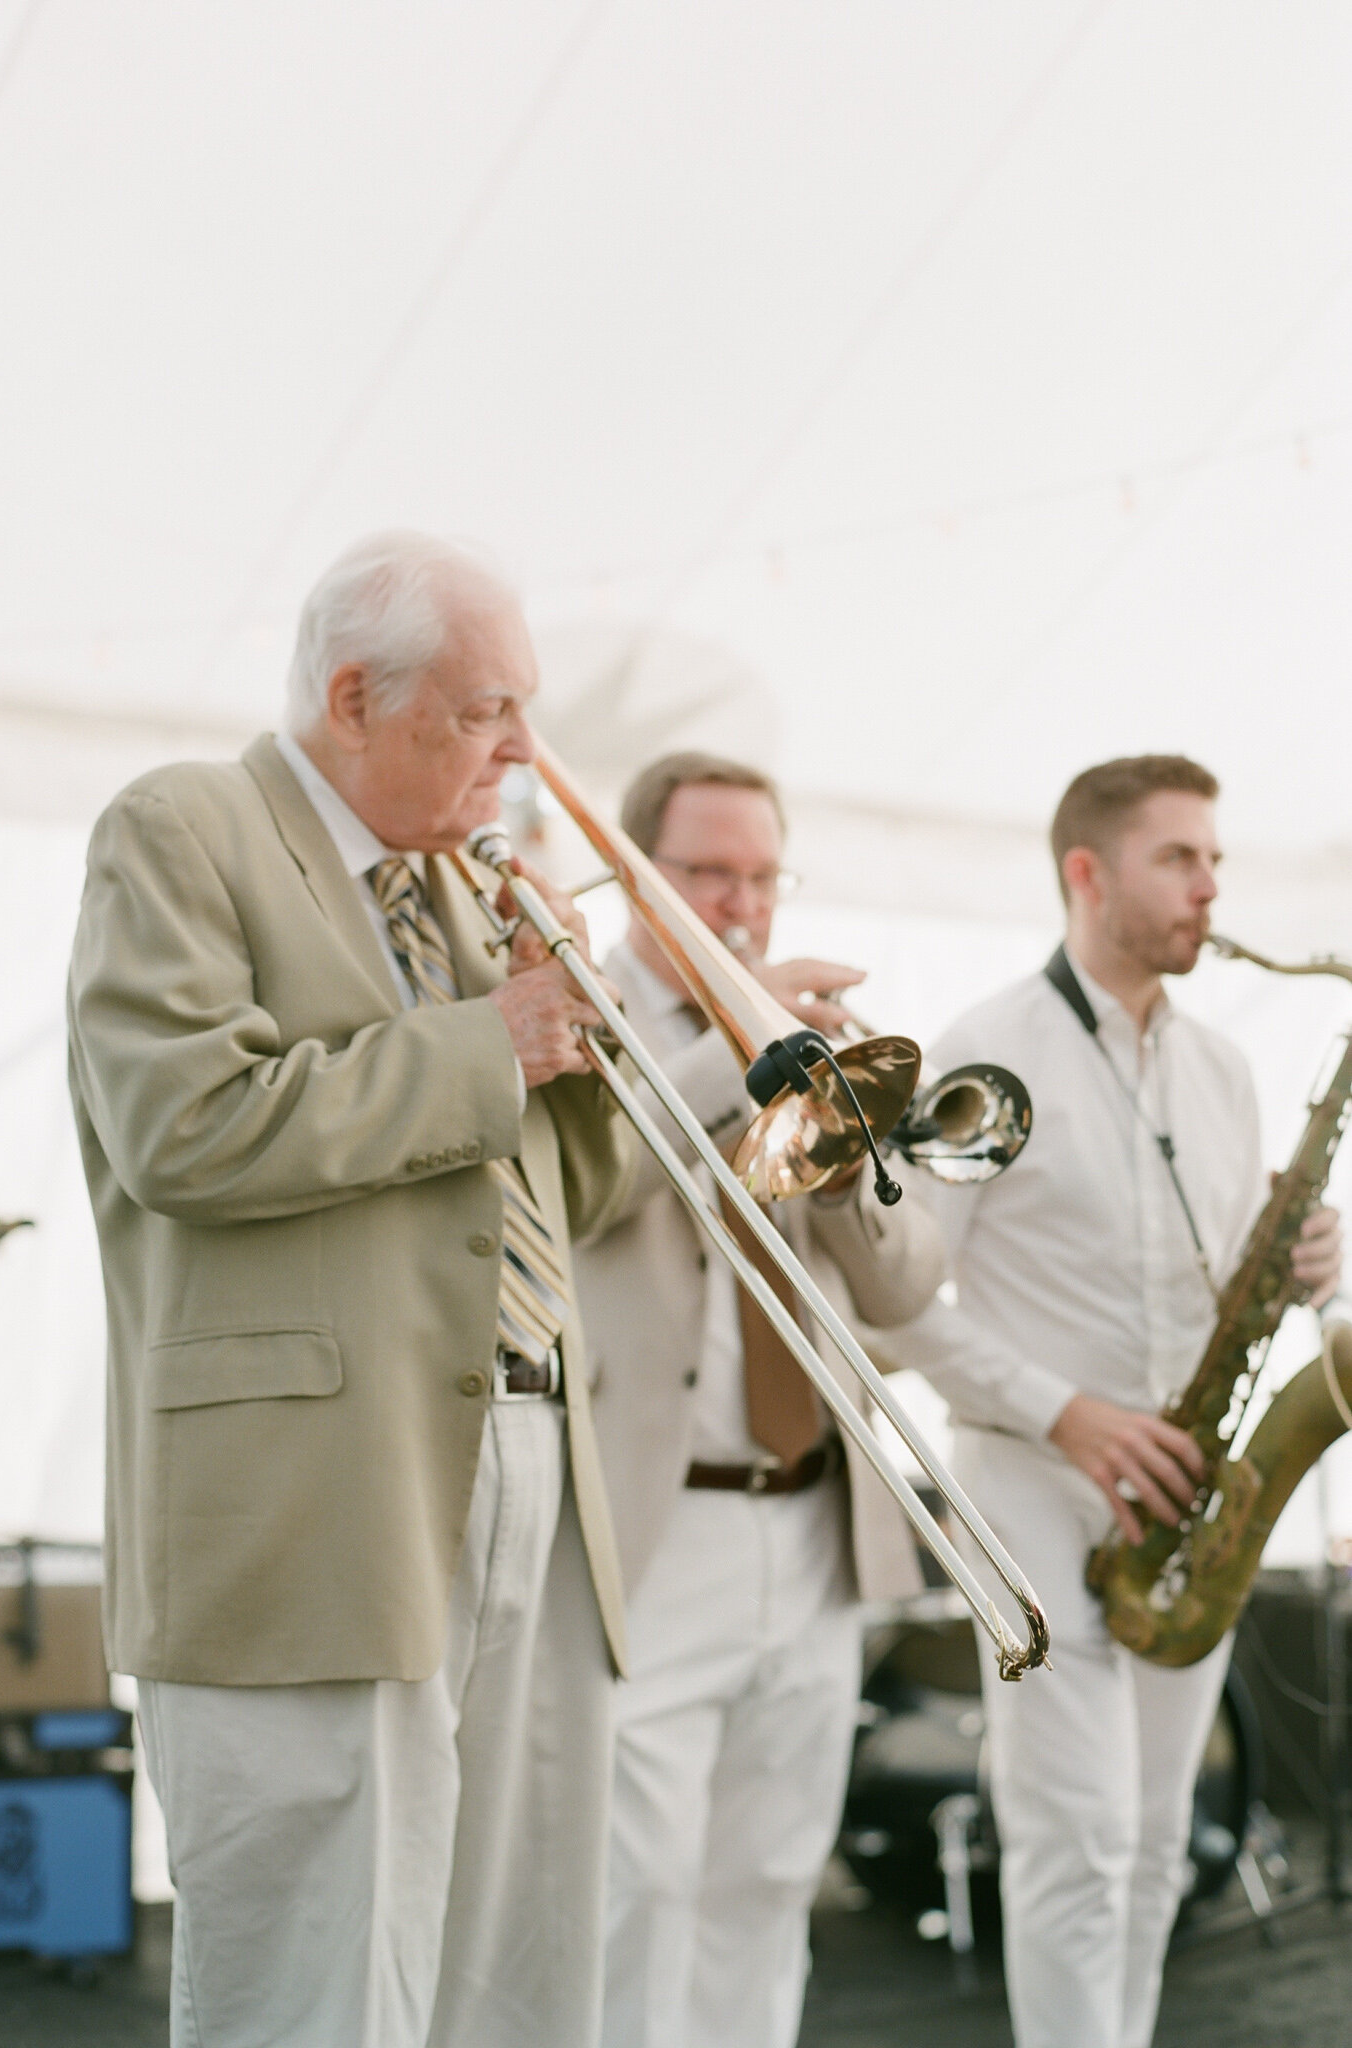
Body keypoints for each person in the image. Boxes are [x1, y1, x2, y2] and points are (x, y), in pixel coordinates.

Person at [66, 532, 635, 2048]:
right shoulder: (184, 825)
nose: (520, 755)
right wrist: (495, 1041)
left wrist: (587, 1038)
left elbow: (569, 1201)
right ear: (354, 697)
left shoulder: (461, 889)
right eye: (486, 711)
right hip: (310, 1498)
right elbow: (187, 1126)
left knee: (510, 1979)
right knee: (314, 1983)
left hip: (524, 1464)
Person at [881, 754, 1343, 2048]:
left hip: (1186, 1496)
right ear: (1088, 874)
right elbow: (897, 1295)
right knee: (1072, 1842)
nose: (1210, 887)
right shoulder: (979, 1052)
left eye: (1214, 860)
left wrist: (1308, 1253)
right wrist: (1066, 1413)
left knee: (1152, 1844)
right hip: (1035, 1490)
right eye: (1179, 859)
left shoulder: (1222, 1071)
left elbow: (1231, 1268)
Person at [573, 751, 946, 2048]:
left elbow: (902, 1289)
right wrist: (737, 1060)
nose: (740, 905)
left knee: (773, 1877)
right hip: (655, 1522)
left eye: (760, 875)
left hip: (811, 1523)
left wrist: (844, 1146)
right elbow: (587, 1191)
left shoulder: (815, 1040)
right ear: (635, 878)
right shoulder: (581, 1011)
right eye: (707, 873)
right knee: (636, 1887)